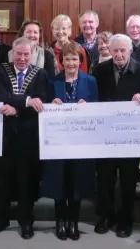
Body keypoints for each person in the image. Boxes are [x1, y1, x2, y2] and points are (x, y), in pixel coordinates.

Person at [0, 37, 50, 240]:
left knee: (26, 181)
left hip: (28, 136)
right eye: (18, 54)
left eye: (26, 54)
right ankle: (0, 219)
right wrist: (27, 101)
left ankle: (26, 221)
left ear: (32, 55)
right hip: (3, 134)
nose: (22, 58)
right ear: (12, 53)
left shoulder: (40, 74)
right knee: (2, 180)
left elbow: (42, 103)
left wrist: (17, 109)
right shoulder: (0, 70)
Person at [91, 34, 140, 238]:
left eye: (122, 50)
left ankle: (126, 219)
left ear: (130, 51)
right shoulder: (99, 70)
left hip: (129, 139)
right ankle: (105, 216)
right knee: (105, 179)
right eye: (114, 50)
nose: (118, 54)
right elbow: (93, 99)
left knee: (127, 180)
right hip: (105, 136)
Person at [41, 41, 98, 241]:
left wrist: (88, 105)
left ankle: (73, 221)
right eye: (67, 58)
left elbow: (98, 108)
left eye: (75, 58)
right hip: (57, 142)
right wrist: (51, 103)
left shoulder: (90, 81)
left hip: (80, 143)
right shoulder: (52, 81)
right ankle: (60, 221)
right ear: (61, 60)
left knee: (77, 182)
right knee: (59, 181)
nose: (71, 62)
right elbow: (43, 108)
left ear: (80, 61)